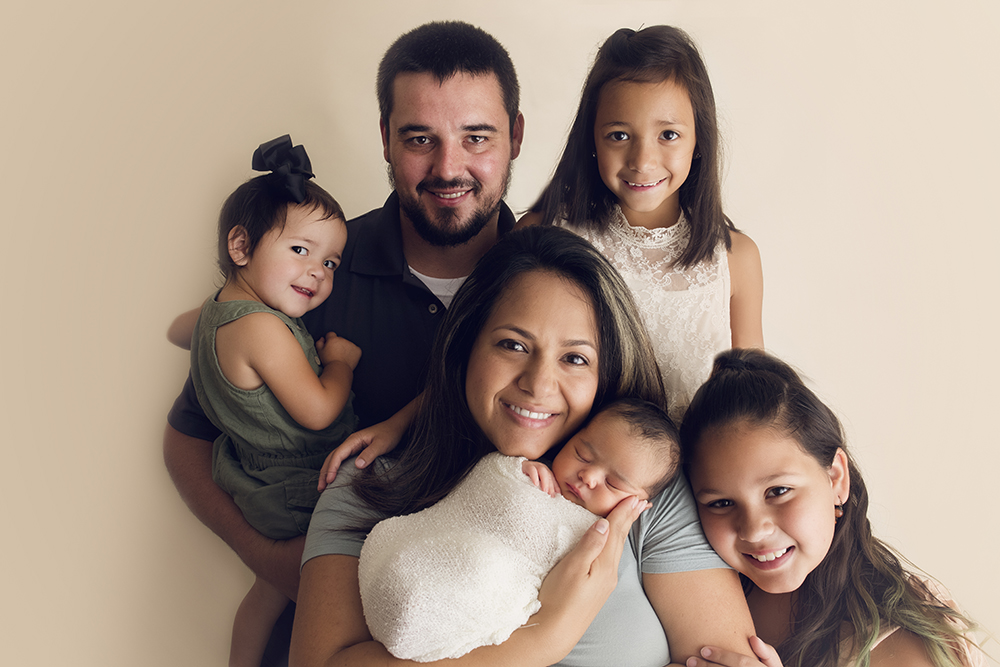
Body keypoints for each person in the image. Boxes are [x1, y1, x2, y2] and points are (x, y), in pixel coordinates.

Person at [162, 21, 524, 660]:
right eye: (420, 138)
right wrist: (272, 561)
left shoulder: (553, 281)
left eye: (477, 137)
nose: (448, 168)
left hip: (501, 634)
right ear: (385, 139)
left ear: (515, 136)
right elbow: (187, 439)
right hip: (324, 632)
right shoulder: (307, 274)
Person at [291, 226, 761, 667]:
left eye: (575, 358)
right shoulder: (365, 483)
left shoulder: (642, 490)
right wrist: (542, 639)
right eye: (513, 346)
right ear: (466, 346)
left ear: (604, 373)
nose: (538, 384)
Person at [680, 348, 985, 667]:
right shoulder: (702, 588)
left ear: (836, 478)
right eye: (721, 503)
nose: (754, 529)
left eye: (779, 491)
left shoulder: (898, 638)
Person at [521, 25, 764, 422]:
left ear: (699, 139)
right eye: (619, 135)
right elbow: (483, 355)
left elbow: (753, 401)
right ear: (592, 141)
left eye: (668, 134)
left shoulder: (735, 258)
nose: (642, 160)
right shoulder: (546, 234)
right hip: (576, 470)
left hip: (695, 476)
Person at [188, 135, 360, 667]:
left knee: (267, 593)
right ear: (241, 248)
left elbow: (179, 329)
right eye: (300, 251)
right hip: (298, 485)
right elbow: (318, 410)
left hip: (254, 478)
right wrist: (340, 365)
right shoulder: (264, 330)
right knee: (328, 593)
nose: (317, 272)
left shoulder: (215, 312)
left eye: (332, 263)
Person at [359, 398, 680, 662]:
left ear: (638, 504)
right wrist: (515, 470)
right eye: (583, 453)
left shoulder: (604, 538)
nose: (589, 477)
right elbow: (484, 494)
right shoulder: (531, 471)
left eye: (613, 484)